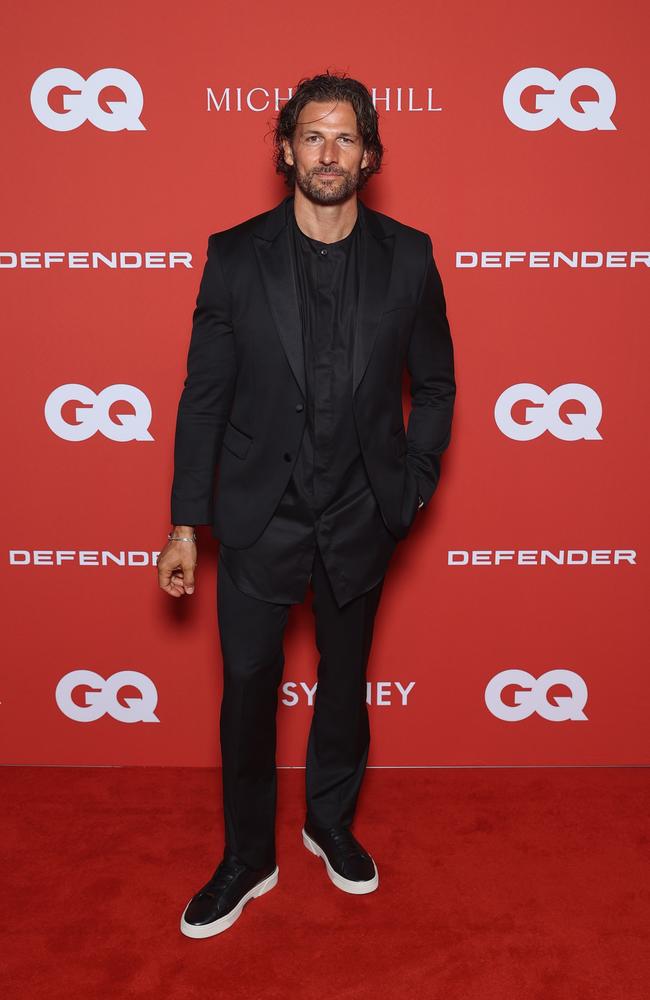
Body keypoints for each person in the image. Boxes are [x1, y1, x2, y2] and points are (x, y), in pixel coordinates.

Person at [157, 71, 456, 939]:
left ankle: (330, 823)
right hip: (258, 514)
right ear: (286, 149)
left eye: (347, 138)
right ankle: (247, 858)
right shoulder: (233, 253)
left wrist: (415, 476)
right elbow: (202, 397)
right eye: (313, 137)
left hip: (363, 510)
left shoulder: (410, 255)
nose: (330, 154)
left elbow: (435, 382)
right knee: (247, 690)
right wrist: (184, 522)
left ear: (371, 153)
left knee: (344, 684)